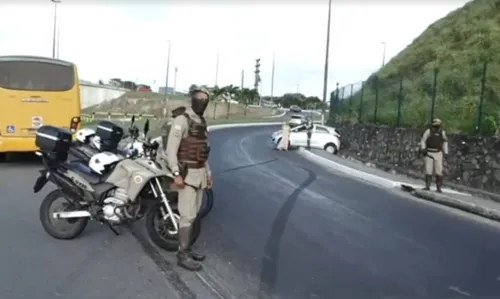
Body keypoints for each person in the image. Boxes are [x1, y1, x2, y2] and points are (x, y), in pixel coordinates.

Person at [165, 87, 212, 271]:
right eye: (200, 99)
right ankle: (182, 255)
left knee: (194, 215)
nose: (203, 102)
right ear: (193, 100)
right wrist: (176, 174)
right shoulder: (181, 120)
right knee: (187, 216)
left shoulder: (201, 122)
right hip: (186, 175)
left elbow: (203, 152)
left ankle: (187, 248)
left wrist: (208, 174)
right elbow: (171, 150)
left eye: (205, 100)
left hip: (199, 173)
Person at [420, 118, 448, 192]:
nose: (436, 128)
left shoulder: (442, 133)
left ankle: (438, 187)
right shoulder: (428, 132)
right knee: (428, 170)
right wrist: (423, 149)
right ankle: (427, 186)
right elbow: (423, 140)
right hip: (429, 152)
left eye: (437, 126)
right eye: (435, 126)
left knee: (439, 170)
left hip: (438, 153)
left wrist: (446, 152)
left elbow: (445, 142)